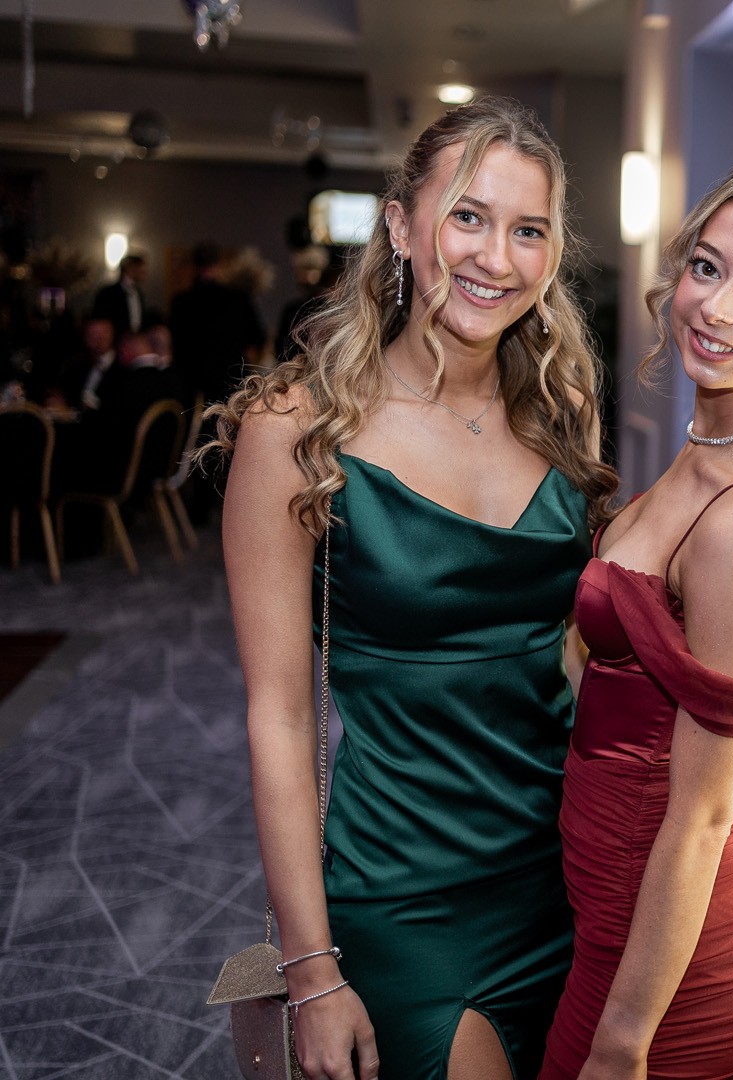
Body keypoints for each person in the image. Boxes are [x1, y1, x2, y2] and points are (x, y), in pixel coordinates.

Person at [208, 97, 616, 1080]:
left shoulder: (563, 408)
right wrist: (312, 972)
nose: (496, 258)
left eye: (528, 230)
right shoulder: (296, 428)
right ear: (400, 225)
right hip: (404, 890)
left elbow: (574, 651)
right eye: (467, 216)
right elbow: (279, 715)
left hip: (568, 877)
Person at [540, 164, 733, 1080]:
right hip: (626, 890)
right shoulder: (717, 439)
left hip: (687, 937)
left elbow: (706, 812)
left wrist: (623, 1042)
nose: (716, 308)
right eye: (707, 268)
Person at [169, 241, 267, 406]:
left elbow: (176, 345)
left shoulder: (180, 302)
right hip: (230, 379)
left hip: (191, 380)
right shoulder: (237, 298)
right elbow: (257, 337)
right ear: (218, 265)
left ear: (194, 266)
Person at [90, 253, 153, 337]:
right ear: (130, 268)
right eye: (141, 269)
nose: (145, 273)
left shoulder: (139, 293)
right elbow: (102, 322)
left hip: (135, 340)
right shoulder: (108, 293)